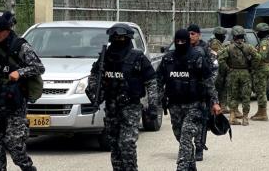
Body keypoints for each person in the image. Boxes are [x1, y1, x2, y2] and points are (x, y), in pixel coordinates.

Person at [0, 11, 45, 171]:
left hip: (14, 104)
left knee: (15, 145)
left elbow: (39, 67)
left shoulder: (20, 46)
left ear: (8, 29)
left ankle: (28, 168)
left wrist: (19, 73)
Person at [86, 23, 159, 171]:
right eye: (116, 37)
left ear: (128, 38)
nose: (119, 40)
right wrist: (94, 92)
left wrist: (152, 106)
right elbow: (94, 76)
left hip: (130, 108)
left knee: (127, 144)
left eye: (122, 38)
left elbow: (151, 81)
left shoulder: (138, 57)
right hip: (111, 108)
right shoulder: (105, 57)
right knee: (114, 146)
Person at [157, 29, 221, 171]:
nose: (180, 44)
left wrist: (215, 102)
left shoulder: (197, 57)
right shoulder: (168, 59)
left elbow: (208, 81)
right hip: (174, 105)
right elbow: (158, 80)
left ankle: (182, 168)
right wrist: (157, 100)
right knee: (179, 136)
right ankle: (191, 167)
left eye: (183, 41)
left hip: (194, 105)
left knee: (186, 137)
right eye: (177, 41)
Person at [219, 25, 260, 126]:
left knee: (233, 96)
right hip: (245, 73)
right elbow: (258, 57)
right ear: (243, 35)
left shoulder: (228, 47)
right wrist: (252, 67)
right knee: (246, 96)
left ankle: (232, 117)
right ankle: (245, 118)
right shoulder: (248, 47)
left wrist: (228, 69)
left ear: (233, 35)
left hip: (232, 73)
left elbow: (221, 59)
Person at [187, 23, 215, 161]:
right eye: (189, 33)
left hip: (202, 91)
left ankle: (199, 148)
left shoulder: (206, 49)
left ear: (199, 35)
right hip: (186, 91)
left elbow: (213, 70)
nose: (190, 36)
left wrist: (210, 89)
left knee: (202, 121)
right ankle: (186, 147)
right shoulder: (184, 48)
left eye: (193, 33)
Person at [251, 23, 269, 121]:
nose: (257, 33)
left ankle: (263, 113)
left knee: (261, 90)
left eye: (258, 32)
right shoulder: (268, 40)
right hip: (266, 66)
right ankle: (260, 111)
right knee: (260, 90)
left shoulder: (264, 43)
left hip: (262, 67)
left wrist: (253, 55)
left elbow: (261, 56)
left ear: (262, 32)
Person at [208, 26, 229, 114]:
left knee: (223, 88)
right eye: (223, 35)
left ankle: (223, 106)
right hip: (217, 70)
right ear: (220, 35)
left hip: (220, 69)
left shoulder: (218, 43)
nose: (224, 37)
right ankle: (216, 107)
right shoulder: (215, 43)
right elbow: (218, 56)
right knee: (218, 88)